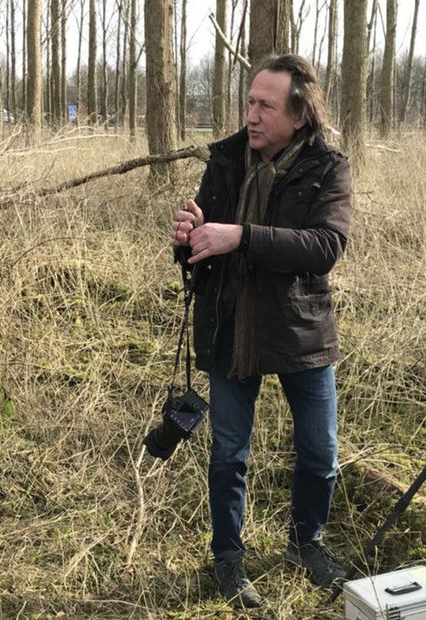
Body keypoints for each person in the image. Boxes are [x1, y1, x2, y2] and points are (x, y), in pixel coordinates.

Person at [170, 54, 352, 609]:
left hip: (300, 327)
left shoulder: (328, 165)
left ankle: (307, 543)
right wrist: (189, 239)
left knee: (320, 451)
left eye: (265, 105)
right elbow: (204, 246)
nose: (251, 115)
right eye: (249, 102)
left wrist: (241, 236)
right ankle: (227, 557)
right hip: (230, 323)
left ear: (298, 114)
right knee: (229, 453)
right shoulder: (226, 158)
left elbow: (326, 247)